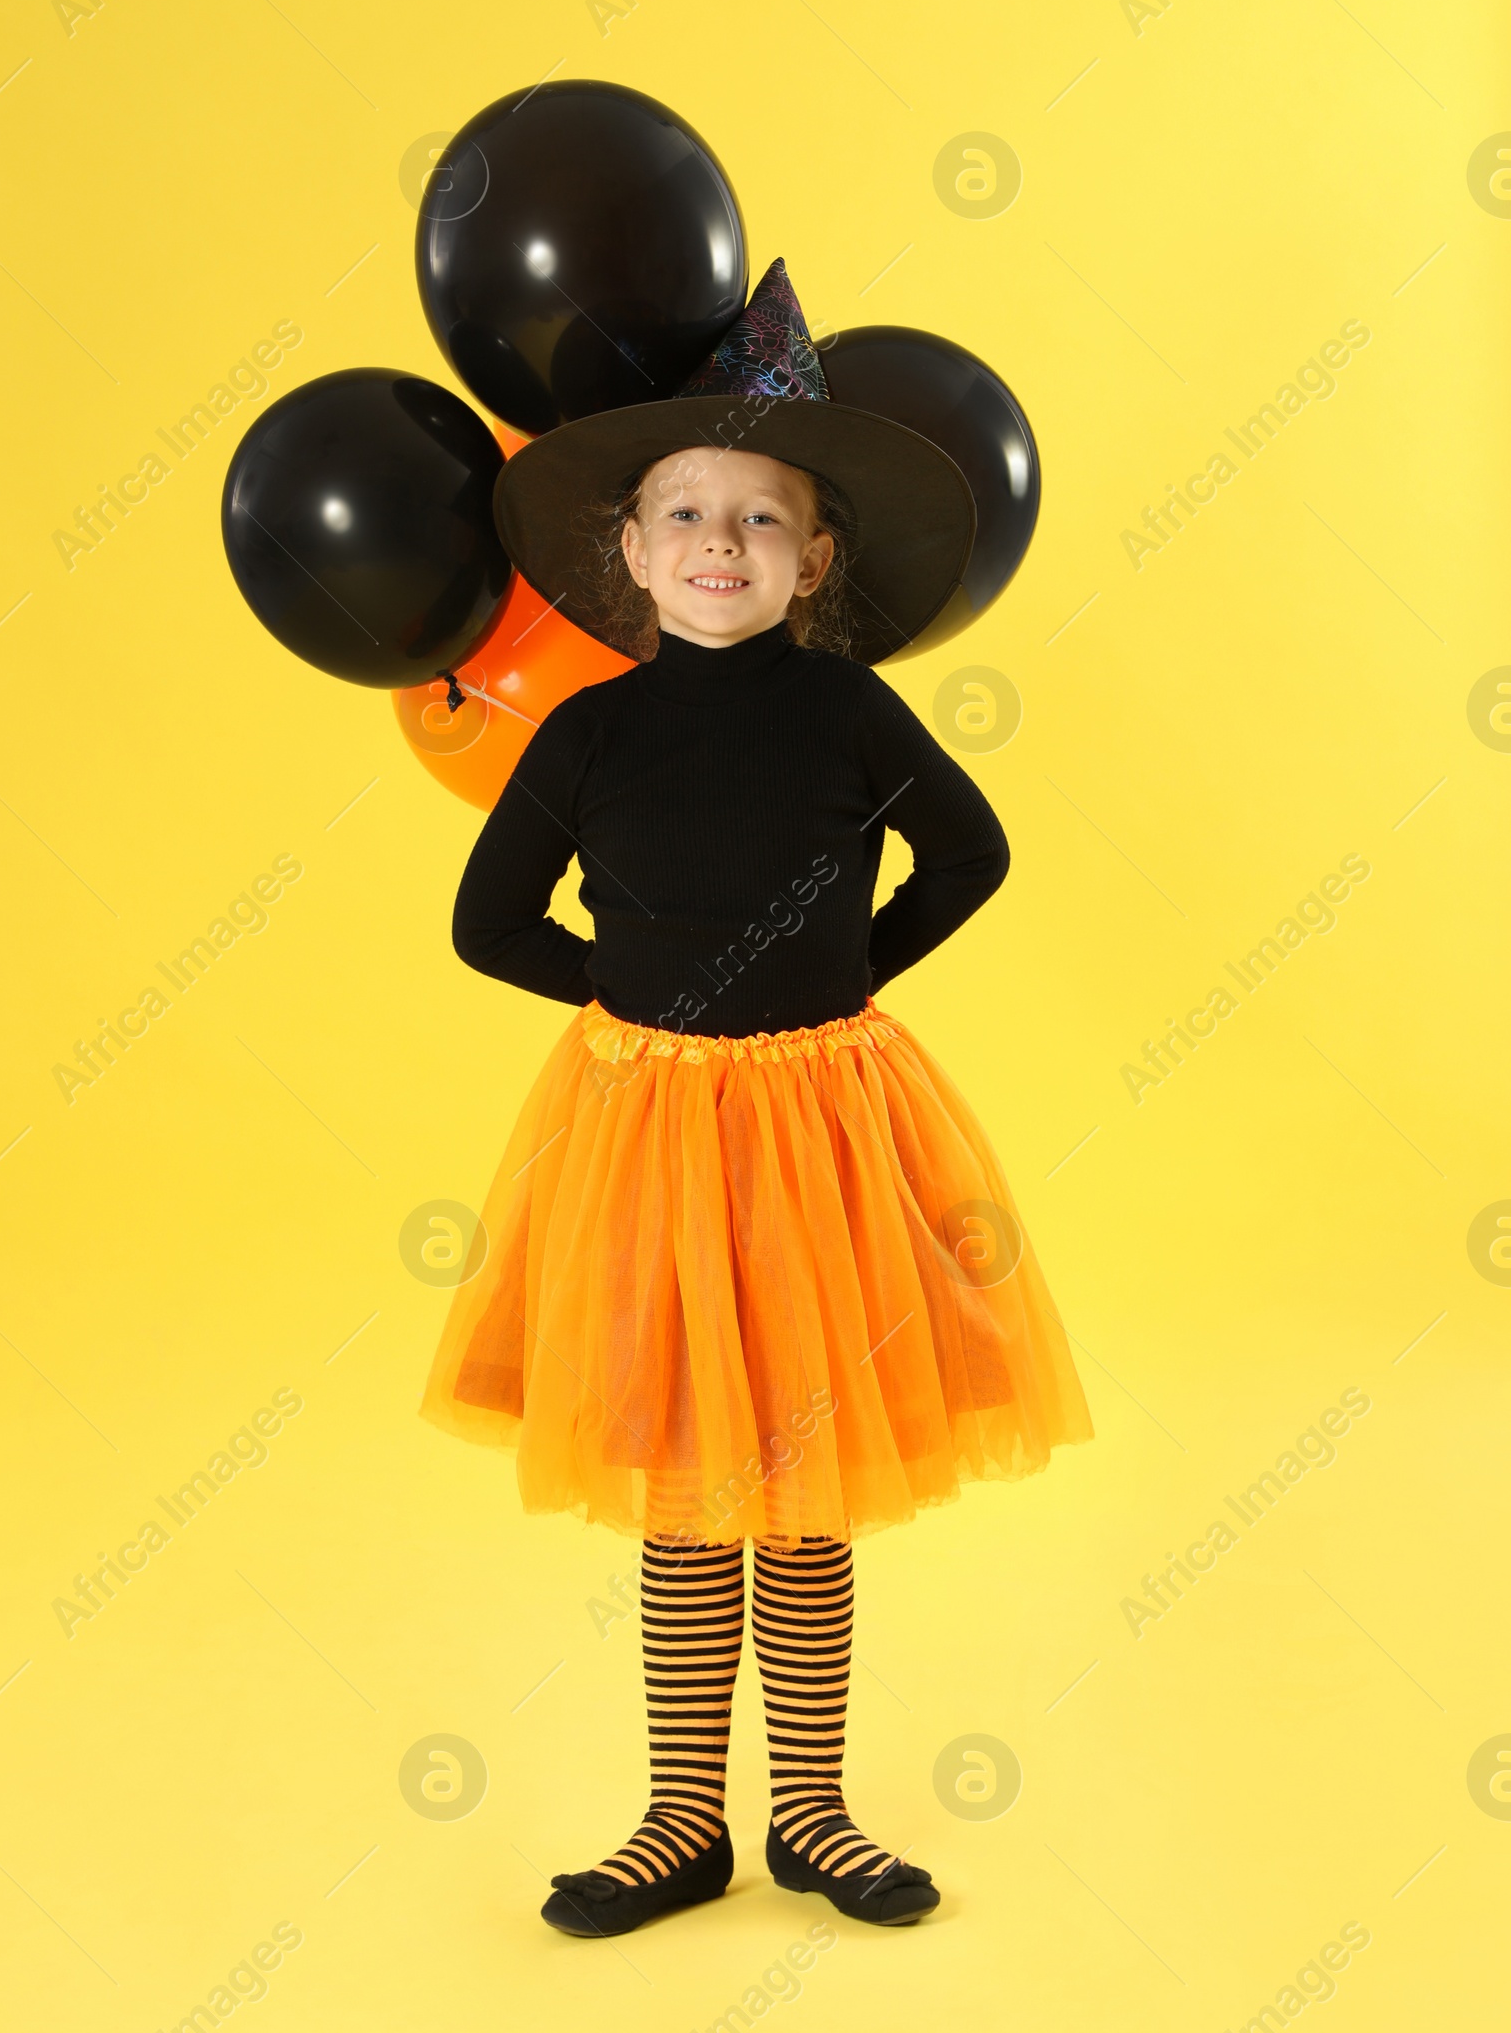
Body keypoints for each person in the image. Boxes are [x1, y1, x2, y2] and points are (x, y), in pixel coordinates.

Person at [420, 260, 1093, 1939]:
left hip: (824, 1135)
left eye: (763, 520)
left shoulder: (852, 710)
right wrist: (627, 996)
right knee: (679, 1486)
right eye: (688, 516)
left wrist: (851, 968)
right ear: (632, 554)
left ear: (816, 560)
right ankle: (678, 1822)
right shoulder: (586, 735)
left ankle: (811, 1813)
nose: (724, 544)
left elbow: (977, 852)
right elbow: (486, 923)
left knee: (802, 1487)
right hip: (651, 1139)